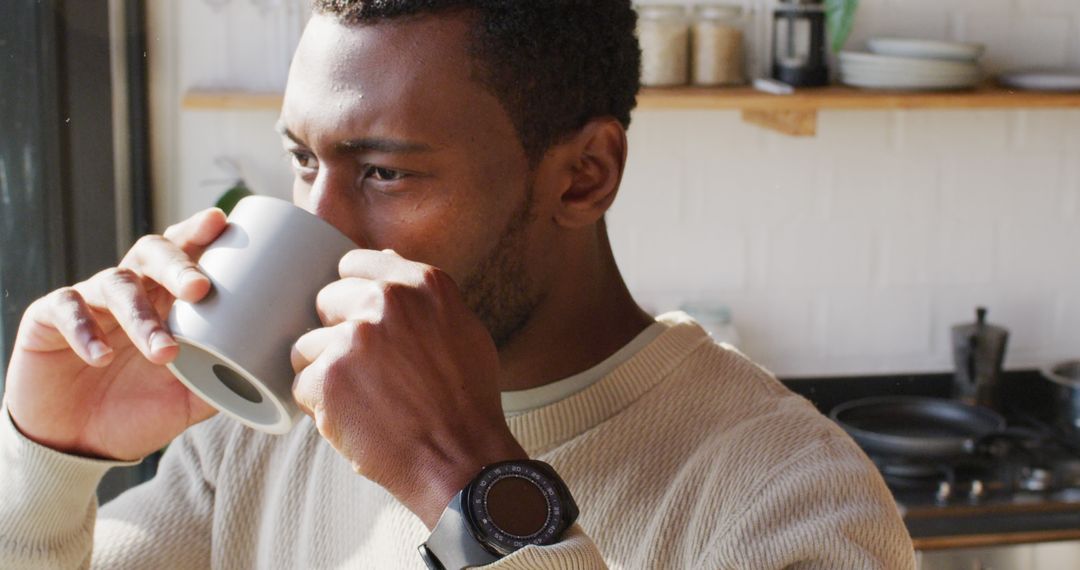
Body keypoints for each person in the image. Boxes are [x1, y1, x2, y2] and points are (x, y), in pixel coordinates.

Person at [0, 1, 916, 568]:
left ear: (583, 176)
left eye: (386, 172)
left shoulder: (795, 500)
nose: (318, 223)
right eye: (300, 159)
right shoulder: (260, 438)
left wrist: (469, 485)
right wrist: (49, 463)